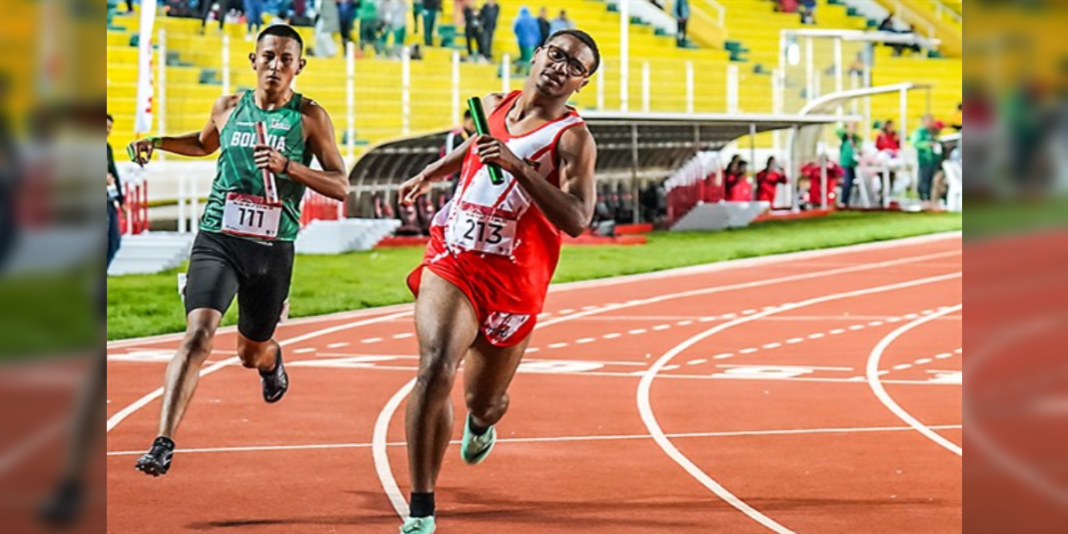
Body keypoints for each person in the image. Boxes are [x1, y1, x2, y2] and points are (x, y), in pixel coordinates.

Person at [395, 28, 600, 534]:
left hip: (514, 278)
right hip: (454, 256)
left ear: (582, 83)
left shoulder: (572, 138)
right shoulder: (493, 104)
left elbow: (578, 219)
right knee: (436, 366)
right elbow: (479, 145)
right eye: (556, 54)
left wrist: (519, 169)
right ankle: (421, 507)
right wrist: (432, 172)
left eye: (575, 66)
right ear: (536, 54)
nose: (560, 67)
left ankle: (482, 424)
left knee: (484, 401)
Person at [127, 25, 349, 477]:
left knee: (251, 352)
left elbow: (341, 185)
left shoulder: (309, 117)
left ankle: (271, 360)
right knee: (198, 335)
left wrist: (290, 167)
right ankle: (162, 442)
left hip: (271, 248)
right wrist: (159, 142)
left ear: (299, 66)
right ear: (253, 60)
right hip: (219, 238)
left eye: (285, 59)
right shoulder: (228, 107)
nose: (275, 66)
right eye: (268, 56)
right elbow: (203, 143)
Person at [106, 114, 125, 270]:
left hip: (108, 199)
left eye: (109, 128)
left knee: (114, 240)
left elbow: (113, 174)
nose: (107, 131)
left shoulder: (107, 148)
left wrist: (121, 200)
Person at [911, 114, 940, 203]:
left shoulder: (934, 131)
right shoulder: (920, 132)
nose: (931, 122)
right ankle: (923, 197)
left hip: (935, 160)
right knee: (924, 179)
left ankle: (931, 198)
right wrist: (926, 144)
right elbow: (915, 143)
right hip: (925, 160)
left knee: (933, 180)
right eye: (929, 121)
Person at [837, 122, 861, 208]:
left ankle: (853, 202)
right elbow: (837, 131)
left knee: (855, 183)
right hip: (845, 164)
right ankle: (844, 201)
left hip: (854, 165)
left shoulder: (856, 138)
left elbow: (859, 148)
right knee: (846, 183)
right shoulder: (844, 137)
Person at [513, 7, 540, 76]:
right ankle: (528, 72)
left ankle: (519, 70)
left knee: (524, 56)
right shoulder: (532, 19)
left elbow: (515, 29)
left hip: (522, 41)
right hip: (531, 42)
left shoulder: (519, 19)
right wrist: (537, 40)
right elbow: (536, 31)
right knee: (528, 57)